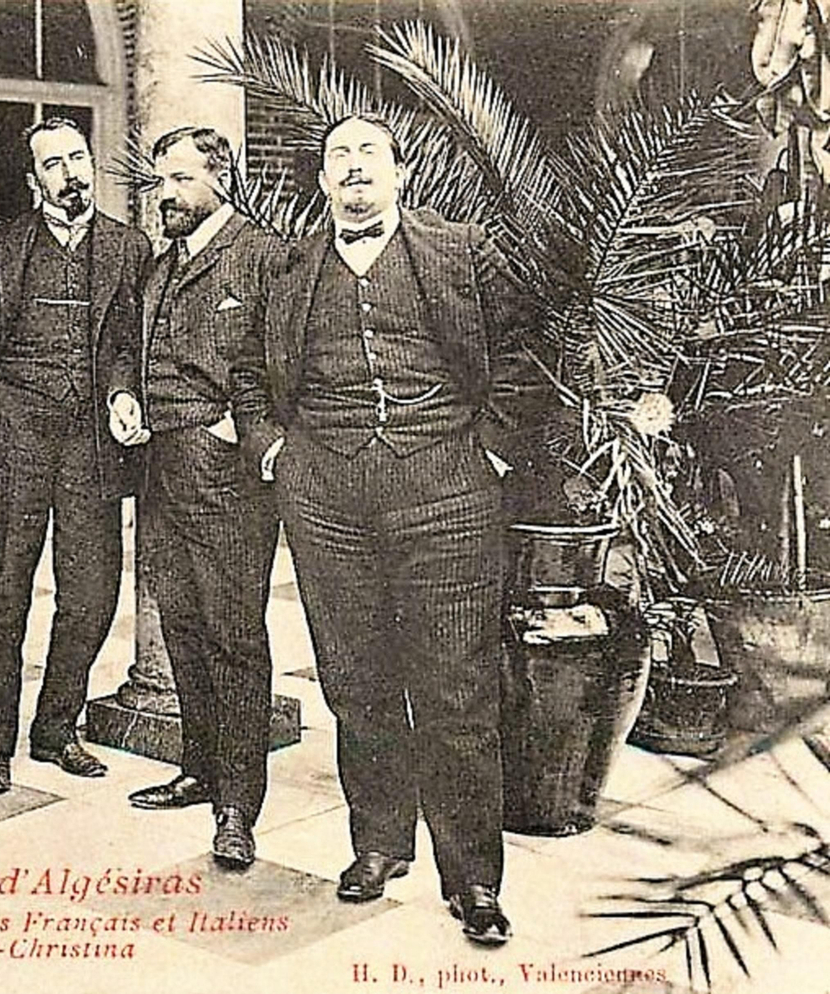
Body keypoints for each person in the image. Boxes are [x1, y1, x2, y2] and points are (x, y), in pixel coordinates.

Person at [231, 113, 544, 944]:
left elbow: (522, 353)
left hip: (446, 491)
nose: (354, 167)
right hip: (326, 496)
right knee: (356, 680)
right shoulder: (291, 268)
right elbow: (246, 373)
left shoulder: (459, 252)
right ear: (322, 182)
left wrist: (496, 455)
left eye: (370, 152)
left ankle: (473, 878)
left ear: (399, 173)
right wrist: (274, 455)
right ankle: (377, 845)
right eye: (339, 156)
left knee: (455, 688)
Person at [0, 118, 151, 796]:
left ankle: (57, 728)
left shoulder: (129, 246)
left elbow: (128, 343)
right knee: (3, 593)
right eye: (54, 165)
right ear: (34, 182)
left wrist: (122, 395)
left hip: (91, 440)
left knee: (90, 595)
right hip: (16, 435)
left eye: (78, 159)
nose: (72, 174)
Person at [124, 126, 288, 870]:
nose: (167, 195)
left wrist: (240, 428)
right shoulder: (161, 266)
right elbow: (131, 350)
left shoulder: (261, 254)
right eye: (161, 182)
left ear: (222, 180)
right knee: (182, 624)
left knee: (234, 636)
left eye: (182, 180)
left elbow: (290, 362)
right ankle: (200, 767)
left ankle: (237, 807)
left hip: (224, 476)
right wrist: (124, 394)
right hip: (160, 468)